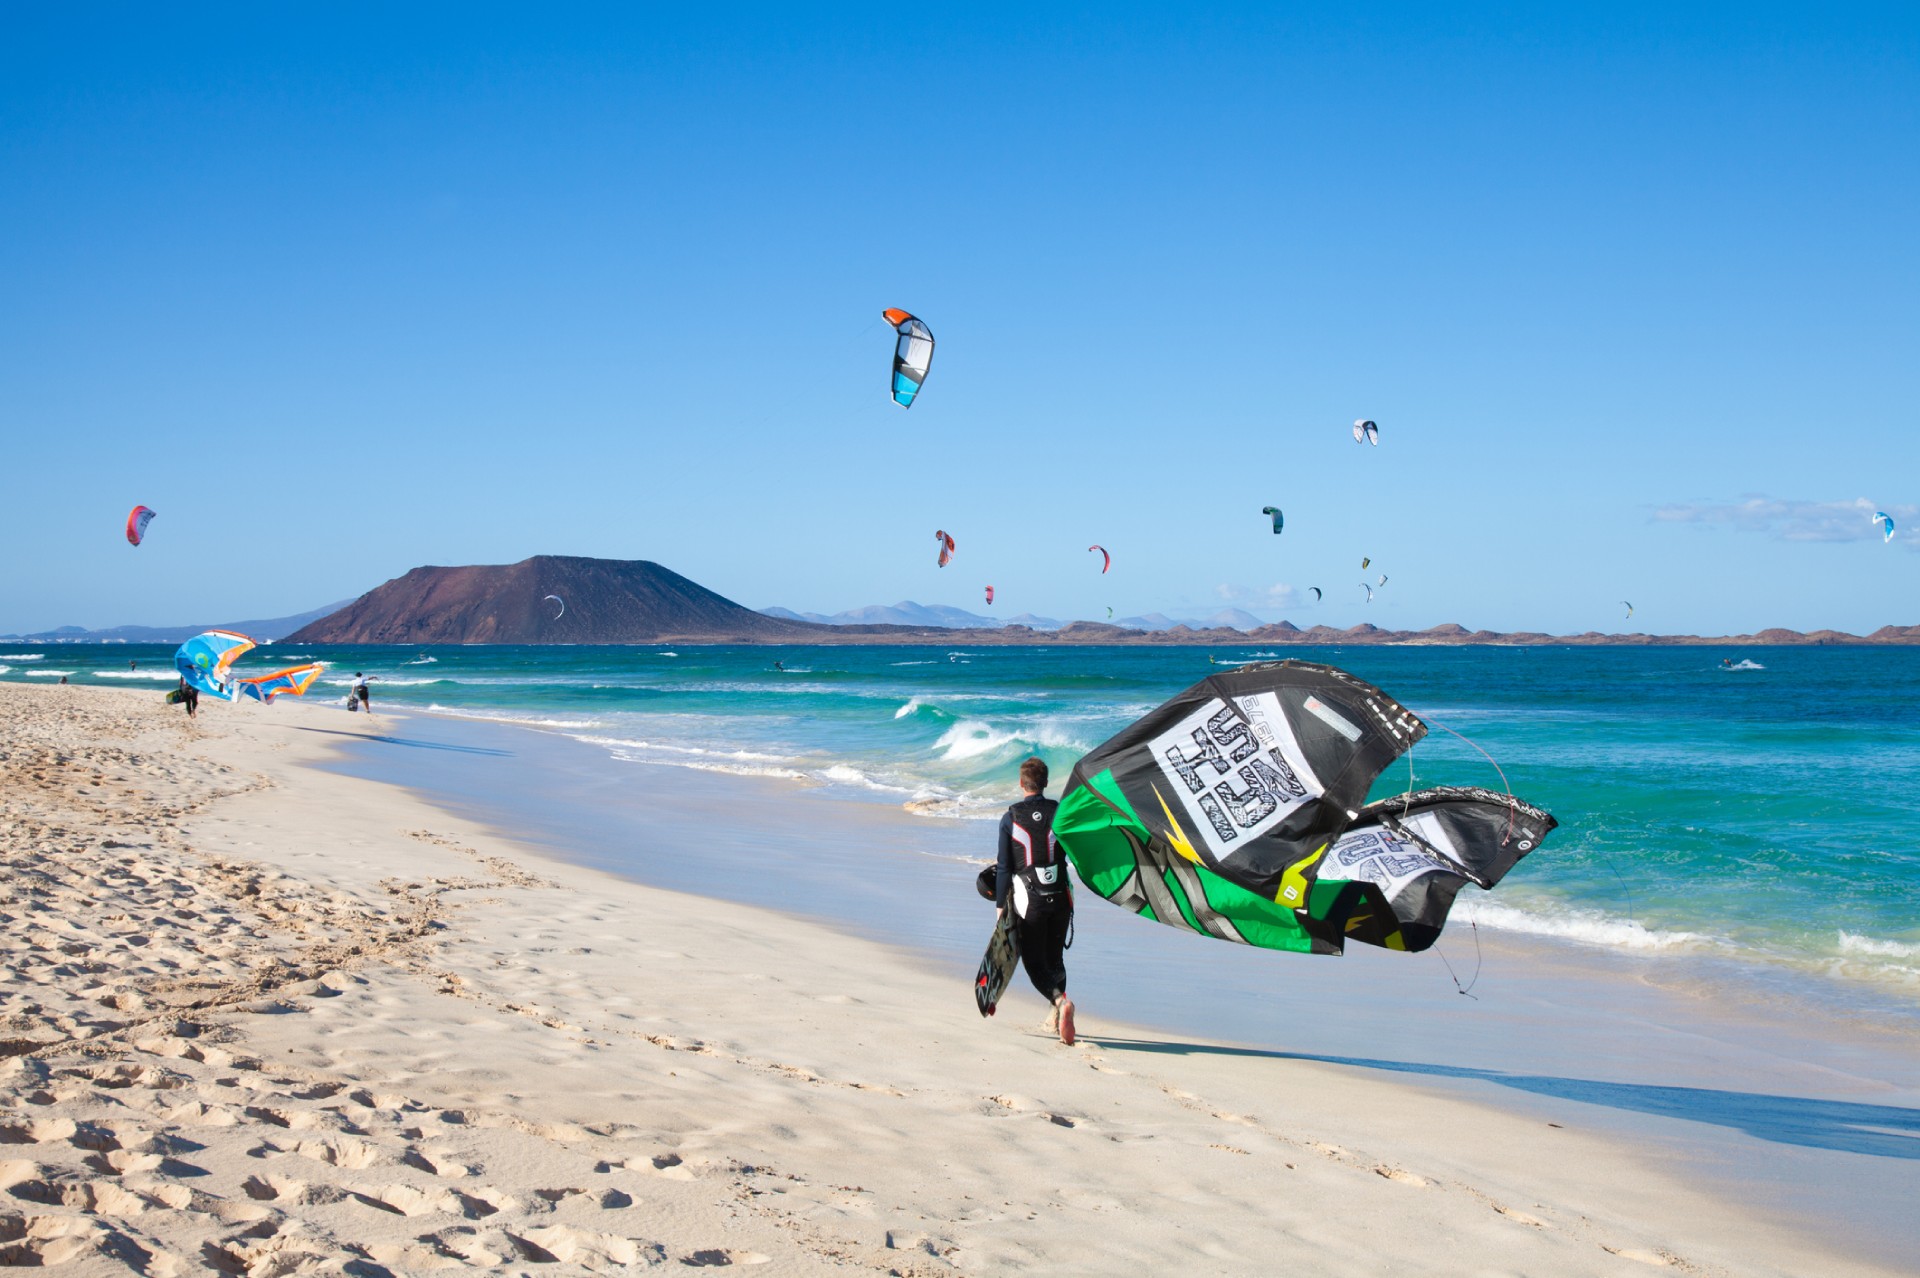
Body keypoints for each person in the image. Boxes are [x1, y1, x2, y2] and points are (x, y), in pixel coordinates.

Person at [995, 756, 1076, 1045]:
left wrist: (1000, 909)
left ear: (1021, 783)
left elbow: (1005, 867)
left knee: (1032, 959)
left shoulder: (1010, 818)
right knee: (1055, 957)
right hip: (1061, 898)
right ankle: (1055, 1017)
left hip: (1030, 902)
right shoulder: (1061, 813)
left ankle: (1059, 1003)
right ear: (1045, 783)